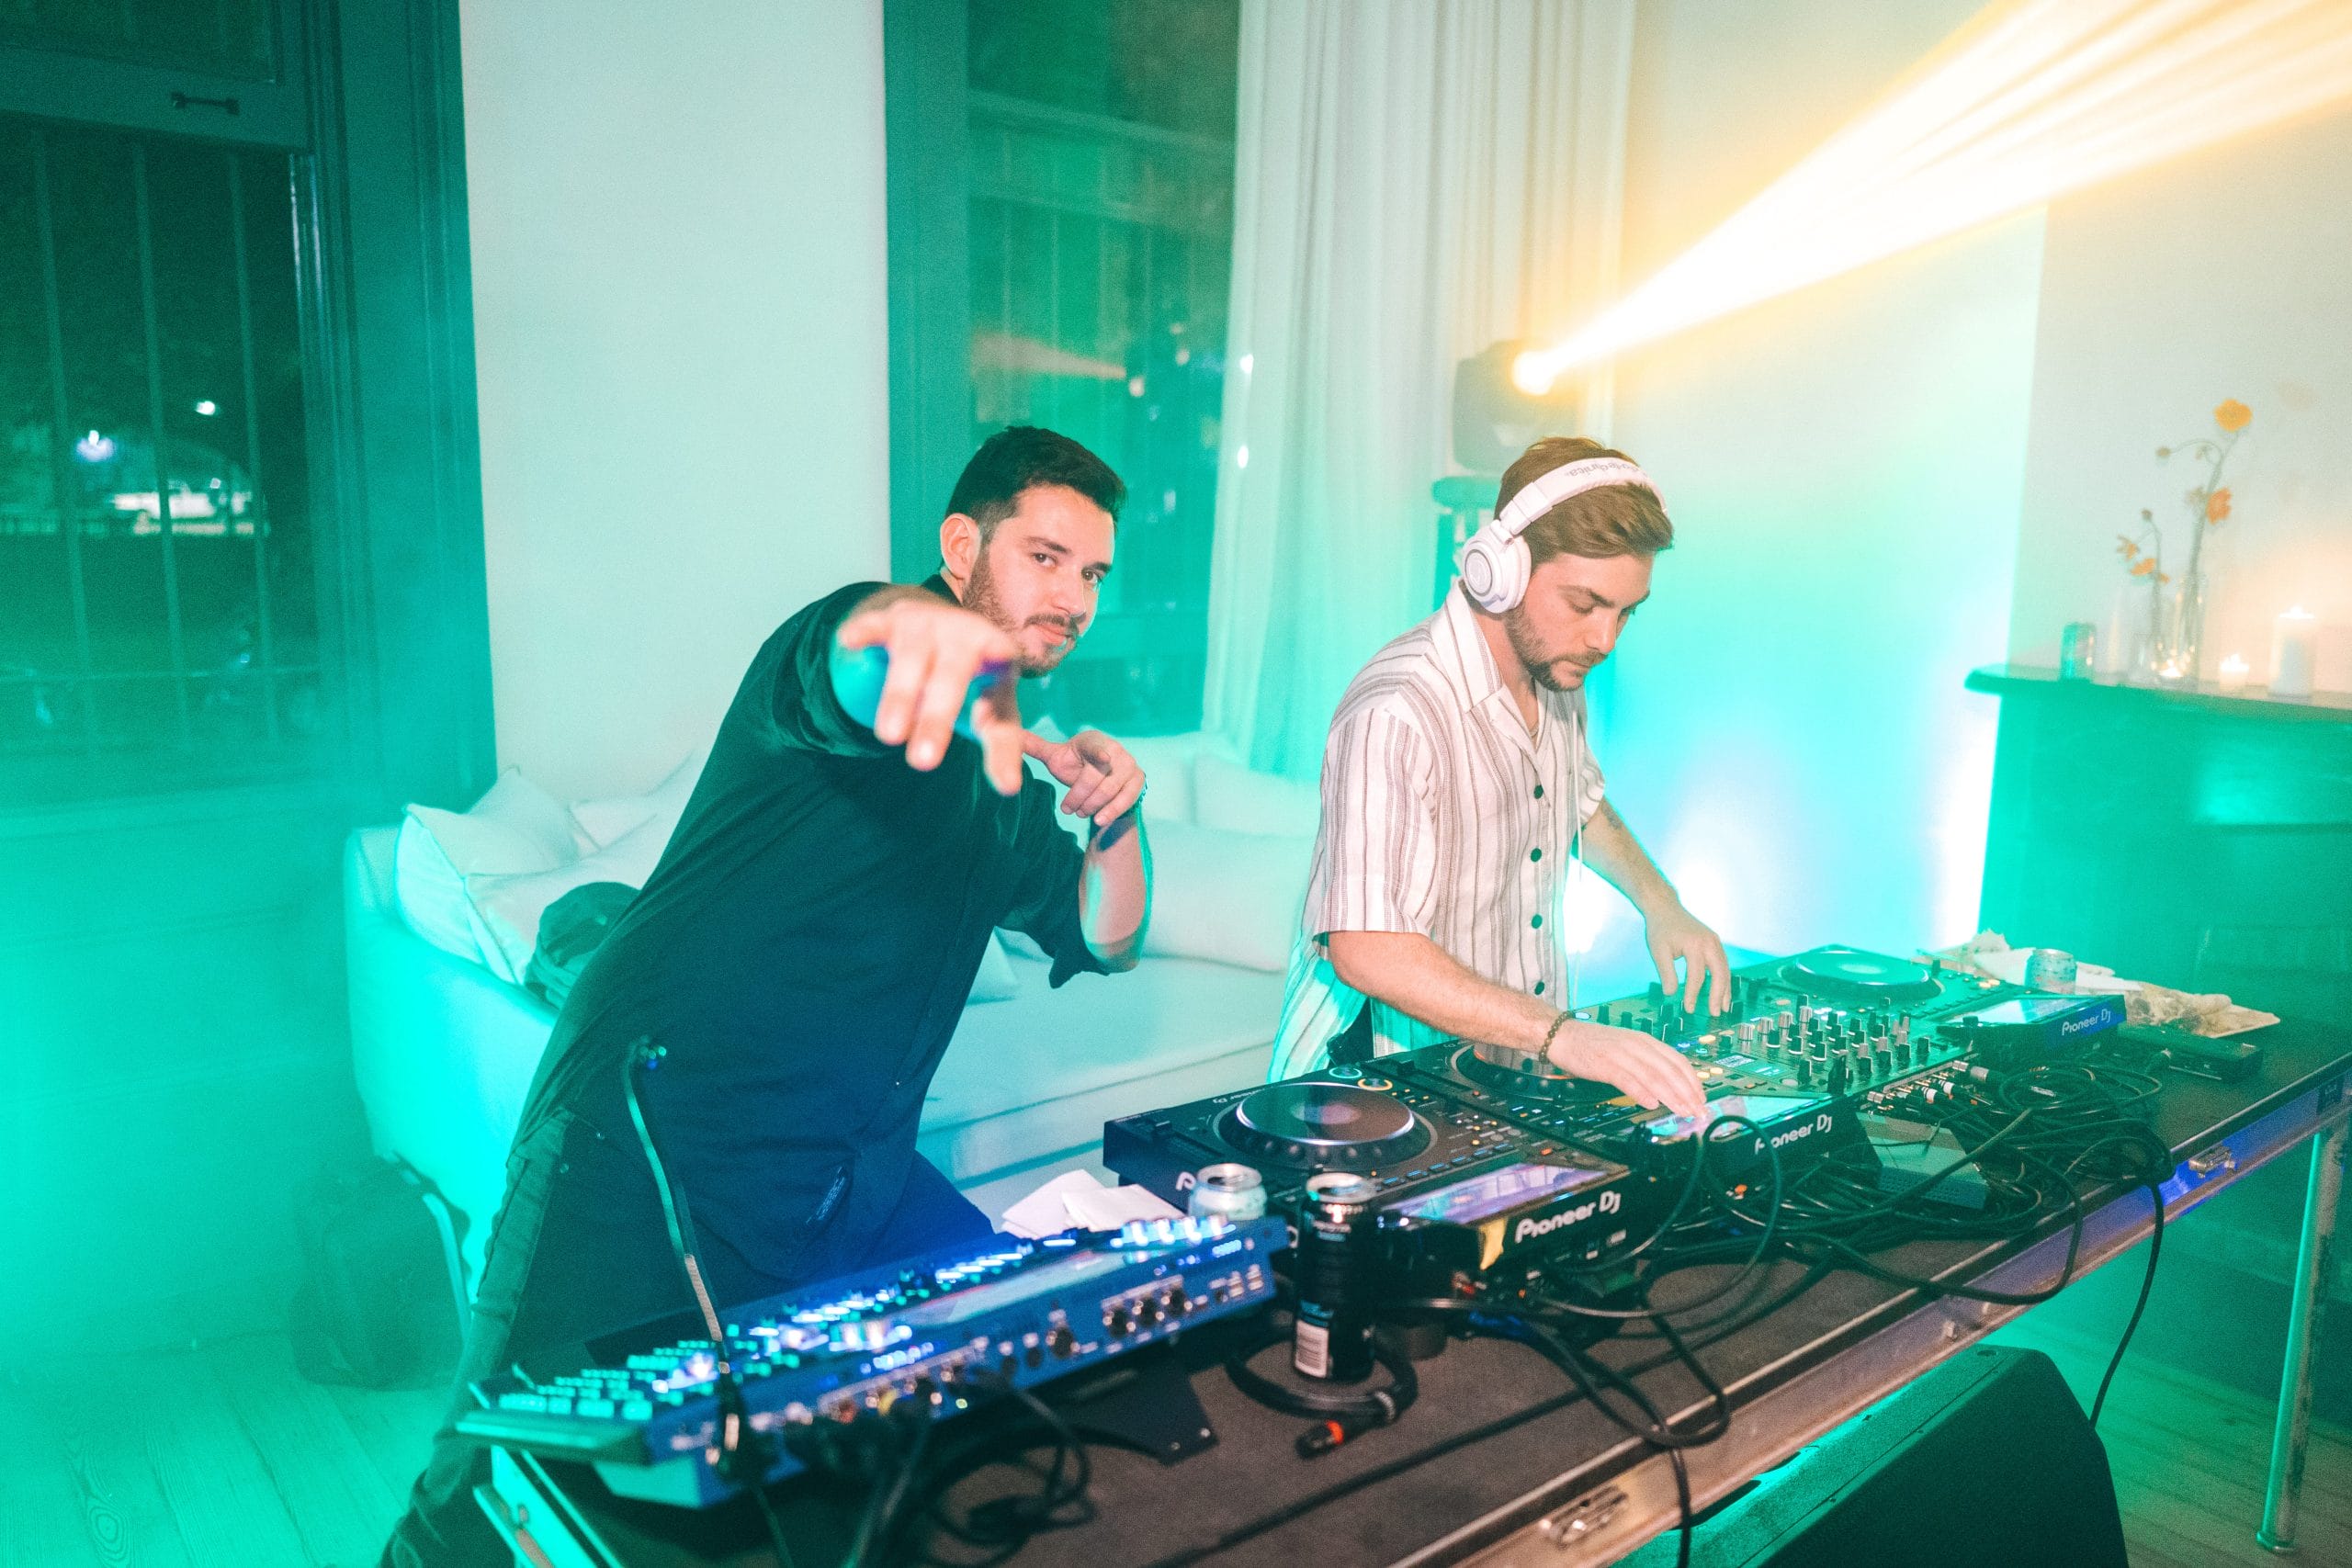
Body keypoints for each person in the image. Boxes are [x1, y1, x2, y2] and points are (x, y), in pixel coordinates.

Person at [382, 425, 1152, 1567]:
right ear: (959, 545)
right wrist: (944, 643)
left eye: (1091, 573)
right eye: (1044, 558)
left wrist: (1119, 816)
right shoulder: (839, 653)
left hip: (846, 1175)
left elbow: (1107, 936)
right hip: (643, 1148)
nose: (1075, 597)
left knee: (1001, 1396)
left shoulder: (1001, 784)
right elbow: (866, 650)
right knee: (497, 1486)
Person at [1269, 435, 1718, 1120]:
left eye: (1626, 612)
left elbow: (1578, 801)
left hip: (1501, 1068)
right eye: (1586, 604)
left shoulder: (1556, 674)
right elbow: (1365, 947)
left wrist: (1662, 903)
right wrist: (1562, 1035)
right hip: (1371, 1092)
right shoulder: (1397, 709)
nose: (1606, 640)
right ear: (1500, 570)